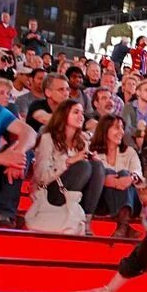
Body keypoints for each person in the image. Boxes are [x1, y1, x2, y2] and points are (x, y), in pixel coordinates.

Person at [32, 100, 105, 236]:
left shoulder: (82, 142)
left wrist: (93, 159)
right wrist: (69, 162)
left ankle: (87, 221)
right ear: (63, 115)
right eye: (76, 112)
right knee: (83, 166)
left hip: (76, 195)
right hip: (51, 192)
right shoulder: (47, 139)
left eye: (82, 113)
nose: (81, 117)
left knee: (97, 166)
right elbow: (41, 177)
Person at [90, 115, 143, 238]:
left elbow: (138, 173)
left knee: (125, 173)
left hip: (131, 202)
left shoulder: (129, 151)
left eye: (122, 128)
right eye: (117, 128)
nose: (121, 132)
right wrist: (107, 181)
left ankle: (122, 226)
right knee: (107, 171)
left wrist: (131, 178)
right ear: (105, 129)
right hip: (103, 202)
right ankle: (125, 226)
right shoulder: (93, 152)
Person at [0, 96, 36, 228]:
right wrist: (0, 158)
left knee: (24, 150)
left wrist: (19, 153)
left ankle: (3, 214)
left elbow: (29, 132)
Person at [121, 79, 147, 150]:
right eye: (146, 90)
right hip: (131, 142)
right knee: (140, 125)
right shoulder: (128, 107)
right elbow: (126, 128)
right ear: (138, 92)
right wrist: (140, 133)